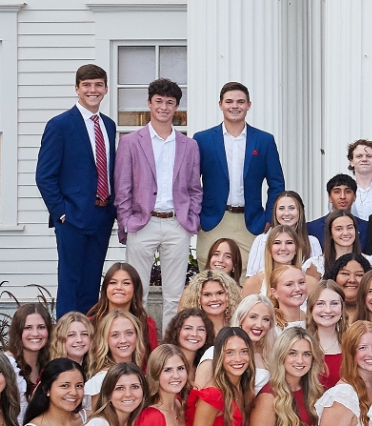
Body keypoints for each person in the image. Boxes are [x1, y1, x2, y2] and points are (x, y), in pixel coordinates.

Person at [115, 78, 202, 324]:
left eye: (170, 103)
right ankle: (138, 349)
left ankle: (170, 352)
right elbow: (123, 188)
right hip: (143, 223)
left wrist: (191, 219)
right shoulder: (130, 142)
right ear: (149, 103)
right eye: (159, 101)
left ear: (177, 107)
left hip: (177, 224)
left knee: (174, 296)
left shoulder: (189, 146)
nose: (164, 107)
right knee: (136, 294)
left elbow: (195, 188)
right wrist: (127, 222)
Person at [35, 65, 120, 314]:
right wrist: (61, 212)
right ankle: (66, 341)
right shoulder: (60, 125)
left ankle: (87, 340)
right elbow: (44, 175)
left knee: (92, 283)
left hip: (102, 215)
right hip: (72, 217)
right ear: (77, 88)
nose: (92, 90)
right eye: (86, 85)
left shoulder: (109, 125)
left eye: (98, 85)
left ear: (105, 89)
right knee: (71, 283)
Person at [196, 83, 287, 265]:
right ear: (220, 104)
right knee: (211, 278)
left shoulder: (264, 140)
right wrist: (195, 216)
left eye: (240, 102)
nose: (234, 106)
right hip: (212, 222)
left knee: (249, 280)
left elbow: (277, 183)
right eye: (229, 101)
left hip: (251, 223)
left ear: (248, 105)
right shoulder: (202, 139)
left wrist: (268, 219)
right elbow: (190, 182)